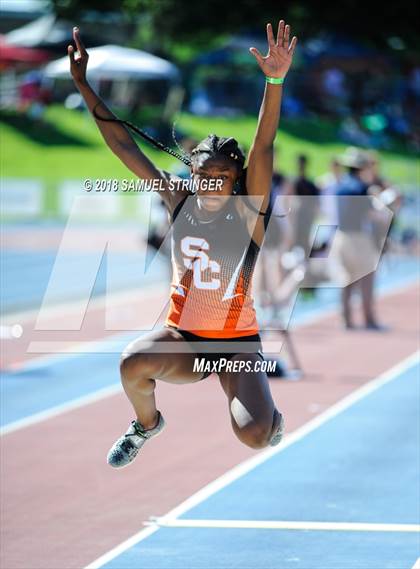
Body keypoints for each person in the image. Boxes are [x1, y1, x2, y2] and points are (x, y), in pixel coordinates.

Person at [68, 22, 298, 467]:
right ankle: (146, 425)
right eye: (204, 174)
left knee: (254, 435)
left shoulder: (251, 210)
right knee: (132, 361)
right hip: (186, 341)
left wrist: (274, 80)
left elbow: (263, 143)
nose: (212, 182)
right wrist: (83, 85)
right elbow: (121, 142)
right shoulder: (178, 201)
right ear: (191, 175)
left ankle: (269, 418)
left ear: (237, 182)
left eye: (223, 176)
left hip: (236, 345)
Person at [332, 147, 386, 330]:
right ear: (362, 168)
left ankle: (346, 320)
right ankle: (369, 319)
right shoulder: (363, 188)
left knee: (347, 279)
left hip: (340, 236)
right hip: (359, 237)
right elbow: (375, 215)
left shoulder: (340, 186)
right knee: (367, 279)